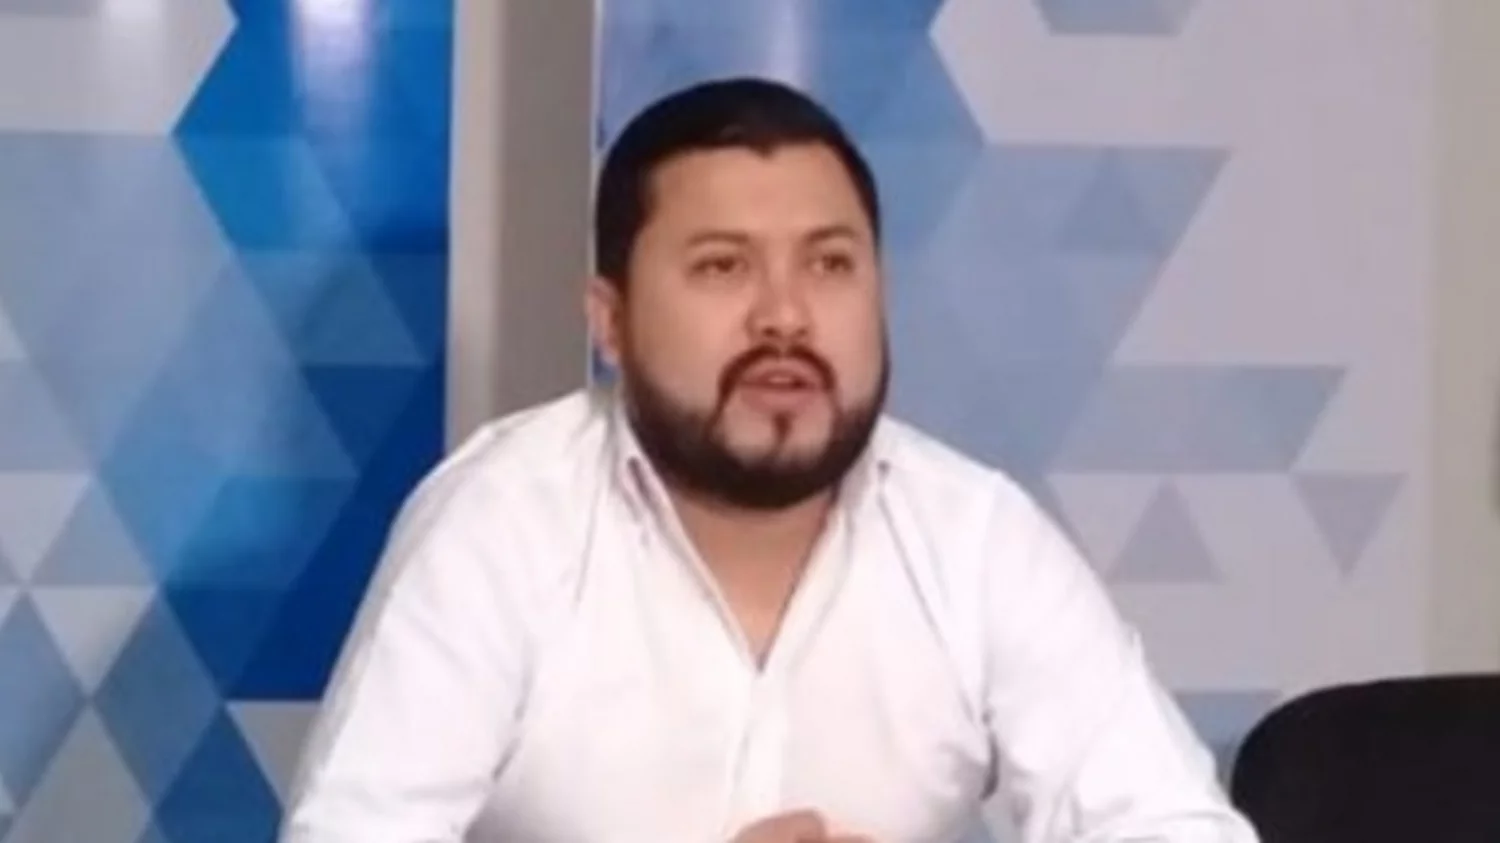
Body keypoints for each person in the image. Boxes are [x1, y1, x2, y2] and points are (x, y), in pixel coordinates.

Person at [280, 77, 1260, 843]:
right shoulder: (500, 525)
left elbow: (1173, 826)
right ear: (609, 321)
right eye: (723, 266)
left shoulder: (976, 538)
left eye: (830, 264)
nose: (786, 316)